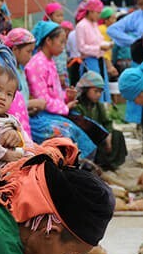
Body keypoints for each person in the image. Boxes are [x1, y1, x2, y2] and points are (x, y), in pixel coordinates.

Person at [24, 21, 97, 159]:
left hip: (53, 111)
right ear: (48, 41)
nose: (63, 47)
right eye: (61, 42)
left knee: (90, 126)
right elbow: (43, 99)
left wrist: (66, 96)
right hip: (40, 115)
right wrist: (64, 107)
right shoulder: (37, 63)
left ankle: (87, 167)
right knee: (68, 132)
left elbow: (53, 92)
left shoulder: (49, 61)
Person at [73, 71, 127, 171]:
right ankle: (99, 163)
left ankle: (112, 163)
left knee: (117, 135)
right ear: (86, 90)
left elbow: (107, 122)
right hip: (86, 137)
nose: (98, 95)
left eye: (100, 92)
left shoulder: (98, 105)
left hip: (100, 135)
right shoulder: (77, 106)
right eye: (95, 91)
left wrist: (108, 136)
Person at [0, 27, 41, 136]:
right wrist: (30, 104)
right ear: (15, 49)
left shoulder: (21, 70)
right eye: (28, 51)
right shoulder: (6, 73)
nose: (30, 56)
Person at [74, 0, 112, 104]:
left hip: (99, 60)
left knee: (102, 86)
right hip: (89, 61)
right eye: (97, 13)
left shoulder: (95, 25)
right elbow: (81, 47)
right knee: (93, 87)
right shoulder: (81, 26)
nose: (99, 16)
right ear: (90, 11)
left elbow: (98, 41)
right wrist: (99, 48)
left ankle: (104, 109)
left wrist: (106, 45)